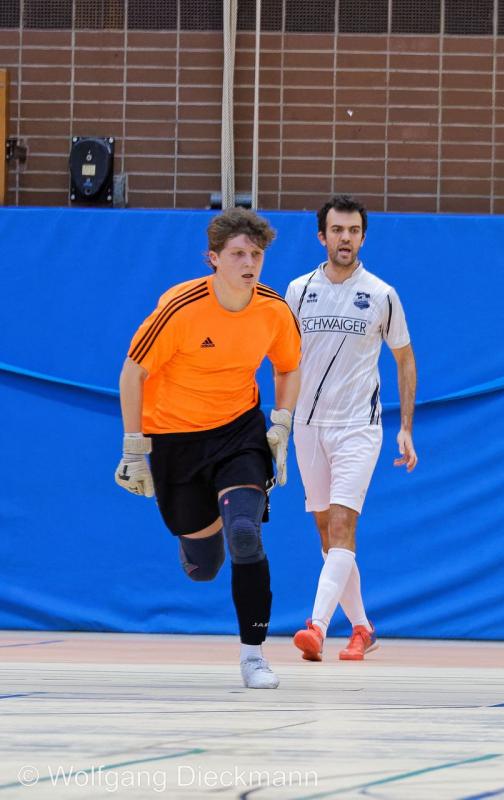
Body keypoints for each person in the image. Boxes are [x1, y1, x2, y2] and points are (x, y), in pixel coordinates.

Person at [115, 208, 301, 690]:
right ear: (213, 258)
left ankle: (253, 655)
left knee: (245, 534)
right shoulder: (181, 308)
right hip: (175, 439)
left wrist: (282, 422)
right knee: (204, 567)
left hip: (239, 431)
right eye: (237, 254)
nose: (249, 263)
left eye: (256, 254)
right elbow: (133, 372)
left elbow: (288, 366)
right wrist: (134, 449)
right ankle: (198, 540)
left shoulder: (274, 310)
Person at [285, 195, 417, 662]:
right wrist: (281, 419)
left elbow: (405, 359)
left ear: (363, 237)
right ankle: (362, 627)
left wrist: (406, 427)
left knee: (343, 524)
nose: (346, 238)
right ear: (322, 236)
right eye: (338, 230)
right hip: (307, 425)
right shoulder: (298, 290)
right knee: (327, 535)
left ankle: (316, 627)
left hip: (359, 426)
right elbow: (285, 360)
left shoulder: (381, 294)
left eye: (354, 231)